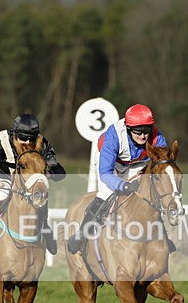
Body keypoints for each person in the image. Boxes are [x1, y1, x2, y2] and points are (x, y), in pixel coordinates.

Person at [67, 103, 168, 254]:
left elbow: (163, 166)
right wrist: (123, 186)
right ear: (128, 128)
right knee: (106, 193)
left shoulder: (157, 138)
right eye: (138, 131)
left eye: (146, 131)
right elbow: (105, 173)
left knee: (151, 195)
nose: (143, 136)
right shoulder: (113, 136)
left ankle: (163, 236)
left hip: (139, 164)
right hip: (111, 164)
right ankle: (82, 234)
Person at [0, 113, 65, 255]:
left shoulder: (41, 143)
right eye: (23, 138)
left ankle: (45, 228)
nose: (26, 142)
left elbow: (60, 170)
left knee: (40, 196)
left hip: (27, 182)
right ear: (15, 134)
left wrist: (45, 175)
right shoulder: (1, 141)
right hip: (4, 179)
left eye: (30, 139)